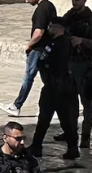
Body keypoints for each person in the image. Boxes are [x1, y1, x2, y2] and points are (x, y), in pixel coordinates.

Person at [0, 0, 56, 118]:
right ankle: (51, 108)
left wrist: (29, 45)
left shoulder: (41, 10)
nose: (26, 1)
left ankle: (17, 106)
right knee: (48, 80)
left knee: (29, 77)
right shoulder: (50, 6)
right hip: (47, 49)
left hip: (38, 49)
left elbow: (39, 32)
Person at [30, 20, 80, 160]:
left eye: (51, 27)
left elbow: (42, 62)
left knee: (44, 117)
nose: (49, 29)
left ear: (59, 29)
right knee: (65, 119)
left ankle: (36, 146)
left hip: (54, 86)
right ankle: (72, 147)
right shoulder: (68, 41)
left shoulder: (55, 44)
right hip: (66, 85)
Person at [60, 0, 92, 149]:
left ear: (84, 0)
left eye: (77, 0)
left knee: (86, 102)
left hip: (84, 64)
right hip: (69, 64)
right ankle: (70, 132)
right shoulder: (69, 16)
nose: (74, 2)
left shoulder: (91, 19)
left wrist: (81, 41)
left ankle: (86, 136)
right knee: (70, 102)